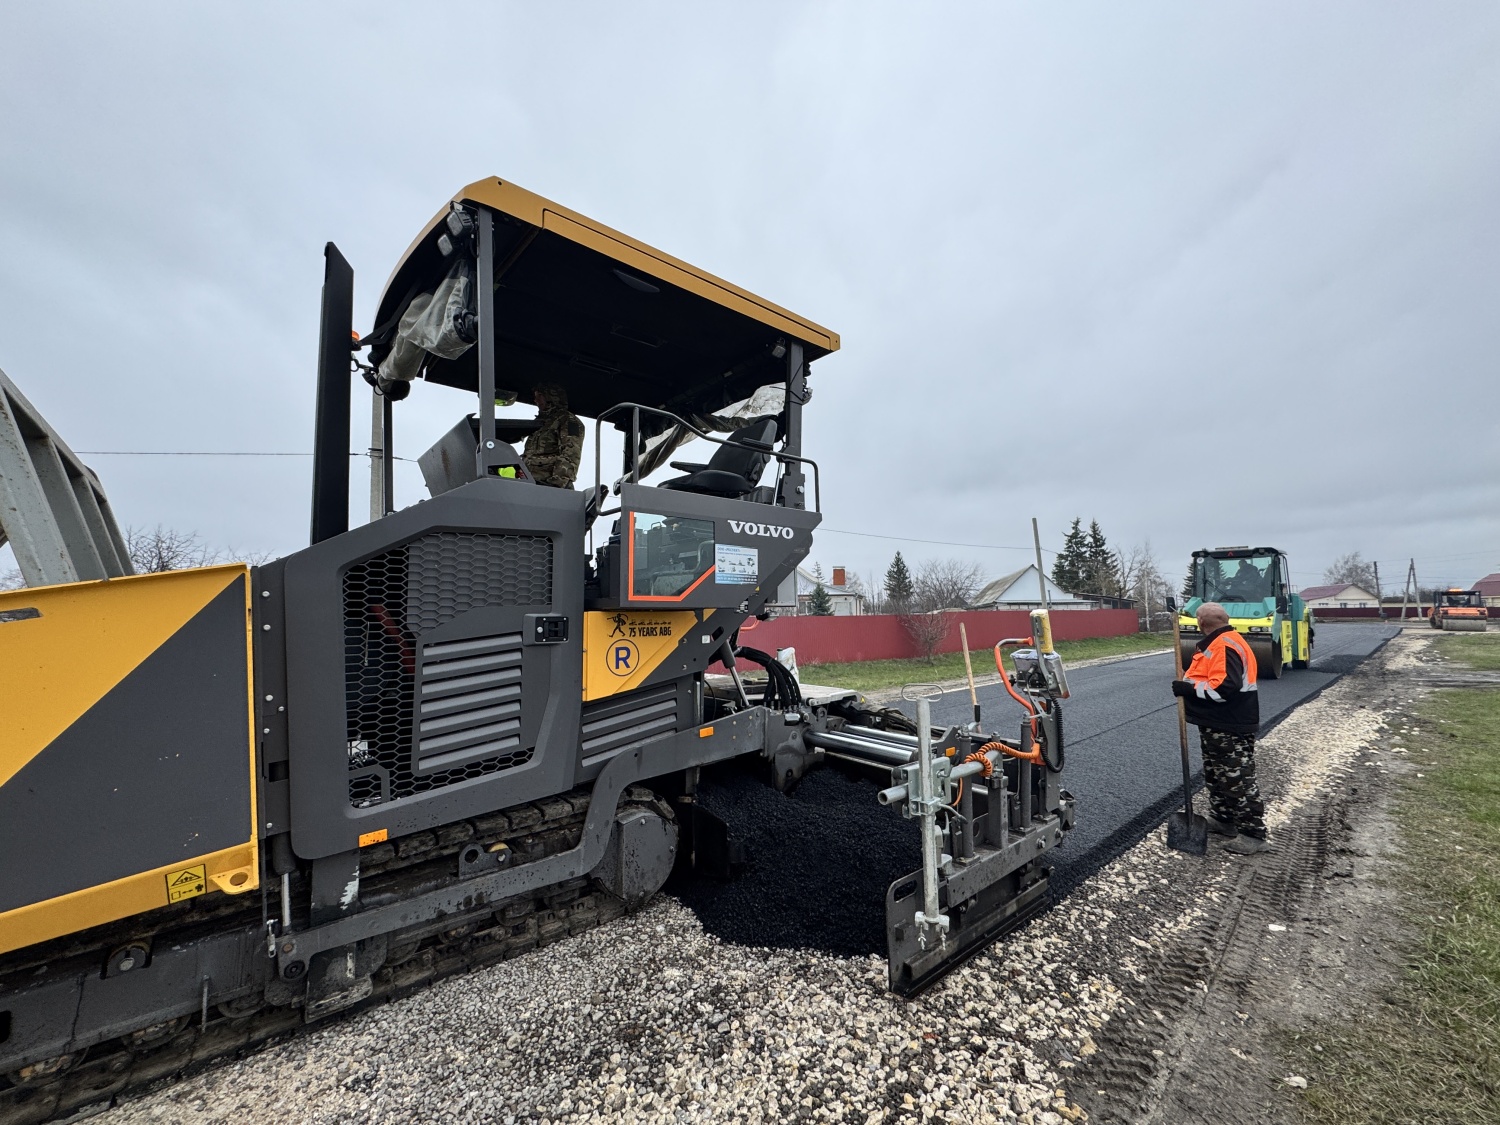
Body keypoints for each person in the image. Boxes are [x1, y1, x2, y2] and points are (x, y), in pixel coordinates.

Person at [1172, 602, 1269, 854]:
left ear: (1201, 622)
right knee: (1216, 774)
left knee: (1237, 777)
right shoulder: (1217, 643)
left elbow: (1225, 688)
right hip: (1215, 722)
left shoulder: (1224, 645)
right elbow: (1208, 678)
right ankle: (1223, 818)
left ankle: (1252, 834)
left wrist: (1188, 689)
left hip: (1230, 723)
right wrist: (1186, 679)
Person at [523, 383, 585, 488]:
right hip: (530, 482)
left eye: (540, 396)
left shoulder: (567, 420)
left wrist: (557, 484)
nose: (536, 400)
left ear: (551, 397)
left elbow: (570, 454)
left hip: (549, 485)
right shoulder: (540, 423)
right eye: (535, 397)